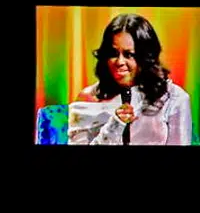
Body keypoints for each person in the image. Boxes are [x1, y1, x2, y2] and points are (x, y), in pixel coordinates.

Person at [68, 13, 191, 145]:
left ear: (146, 57)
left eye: (129, 54)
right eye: (113, 54)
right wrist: (115, 125)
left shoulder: (174, 97)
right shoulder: (88, 98)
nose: (120, 61)